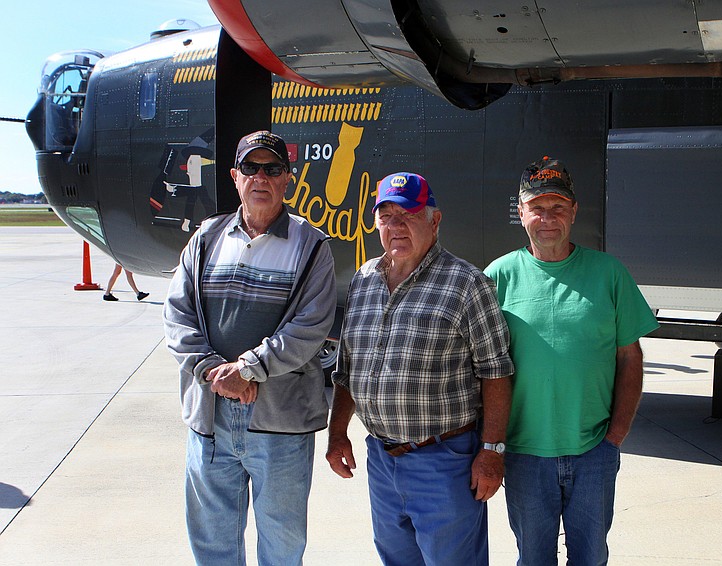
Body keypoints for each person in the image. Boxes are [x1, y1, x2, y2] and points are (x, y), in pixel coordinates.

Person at [163, 130, 336, 566]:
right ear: (235, 176)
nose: (261, 177)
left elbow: (310, 328)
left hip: (281, 425)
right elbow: (177, 315)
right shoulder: (206, 238)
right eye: (251, 168)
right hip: (211, 420)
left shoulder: (311, 246)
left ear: (288, 178)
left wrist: (247, 369)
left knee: (282, 547)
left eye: (273, 168)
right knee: (213, 545)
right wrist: (212, 371)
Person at [326, 172, 514, 566]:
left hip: (444, 461)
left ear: (434, 220)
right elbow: (347, 370)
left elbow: (496, 372)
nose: (395, 226)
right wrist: (337, 432)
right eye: (386, 216)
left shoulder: (466, 284)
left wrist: (492, 451)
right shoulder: (363, 280)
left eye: (408, 215)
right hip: (381, 459)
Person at [484, 157, 660, 566]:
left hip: (593, 451)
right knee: (534, 558)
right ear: (521, 212)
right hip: (525, 454)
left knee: (591, 558)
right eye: (537, 208)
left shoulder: (609, 273)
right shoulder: (497, 277)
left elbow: (630, 357)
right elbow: (481, 368)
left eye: (558, 207)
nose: (548, 218)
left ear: (574, 212)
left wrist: (615, 436)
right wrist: (492, 444)